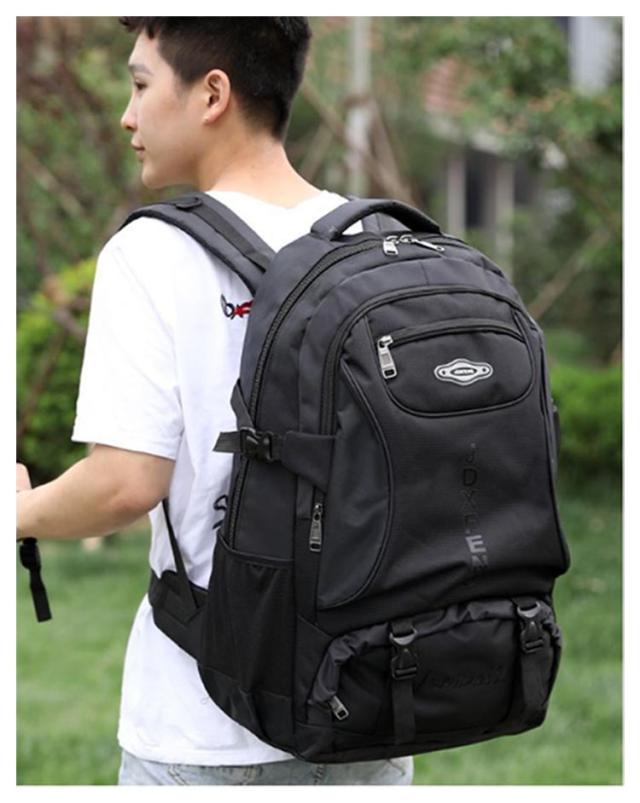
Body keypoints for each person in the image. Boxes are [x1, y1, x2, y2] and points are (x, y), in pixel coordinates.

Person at [16, 17, 414, 786]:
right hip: (367, 705)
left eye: (140, 85)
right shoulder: (372, 238)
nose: (127, 116)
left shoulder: (152, 251)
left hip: (207, 728)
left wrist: (20, 512)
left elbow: (124, 484)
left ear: (212, 94)